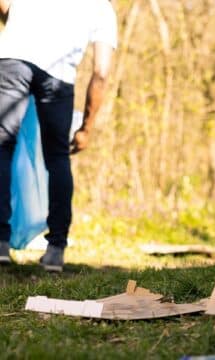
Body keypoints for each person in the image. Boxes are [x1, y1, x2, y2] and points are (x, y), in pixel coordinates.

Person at [0, 0, 117, 272]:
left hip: (12, 61)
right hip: (58, 76)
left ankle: (0, 240)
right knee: (57, 157)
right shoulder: (102, 9)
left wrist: (15, 22)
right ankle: (55, 249)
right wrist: (86, 128)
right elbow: (100, 73)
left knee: (2, 146)